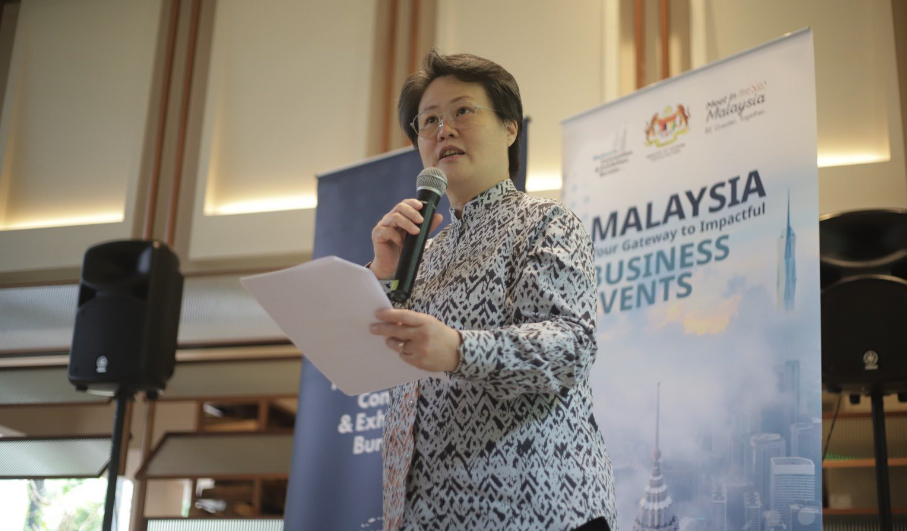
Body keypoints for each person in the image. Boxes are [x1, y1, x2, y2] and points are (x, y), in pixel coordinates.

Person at [368, 50, 617, 531]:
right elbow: (376, 366)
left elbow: (570, 347)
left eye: (462, 111)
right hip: (425, 515)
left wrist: (458, 350)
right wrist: (381, 276)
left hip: (538, 512)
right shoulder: (420, 253)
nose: (443, 130)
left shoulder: (545, 221)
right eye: (429, 120)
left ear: (510, 128)